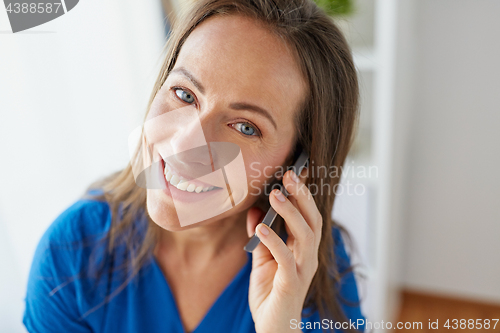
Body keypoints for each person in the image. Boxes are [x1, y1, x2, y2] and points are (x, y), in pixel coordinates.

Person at [23, 0, 366, 332]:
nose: (184, 146)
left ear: (294, 166)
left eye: (246, 127)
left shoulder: (313, 271)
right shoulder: (72, 251)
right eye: (185, 94)